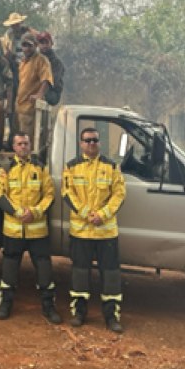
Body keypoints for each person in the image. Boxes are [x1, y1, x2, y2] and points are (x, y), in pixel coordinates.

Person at [62, 127, 126, 333]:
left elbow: (119, 194)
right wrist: (87, 213)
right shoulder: (71, 167)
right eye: (87, 140)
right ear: (81, 144)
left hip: (106, 232)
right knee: (80, 273)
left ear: (100, 143)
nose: (91, 144)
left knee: (111, 275)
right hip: (81, 231)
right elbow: (67, 193)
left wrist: (103, 214)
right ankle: (79, 313)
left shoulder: (111, 166)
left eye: (95, 140)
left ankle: (111, 317)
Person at [0, 132, 61, 324]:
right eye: (19, 143)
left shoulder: (40, 168)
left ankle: (49, 307)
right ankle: (6, 304)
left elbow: (49, 195)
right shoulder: (6, 169)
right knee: (9, 269)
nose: (23, 146)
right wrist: (16, 212)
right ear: (13, 147)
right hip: (13, 230)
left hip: (37, 231)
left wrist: (35, 212)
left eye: (26, 143)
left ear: (30, 145)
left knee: (44, 270)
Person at [15, 33, 53, 142]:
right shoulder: (22, 62)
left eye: (29, 45)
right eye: (24, 45)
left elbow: (46, 79)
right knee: (19, 139)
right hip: (20, 106)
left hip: (30, 108)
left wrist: (39, 95)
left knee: (27, 142)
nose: (26, 48)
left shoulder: (41, 60)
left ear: (35, 45)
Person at [36, 31, 65, 106]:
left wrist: (39, 92)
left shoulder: (57, 63)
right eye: (42, 43)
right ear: (38, 45)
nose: (44, 45)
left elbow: (52, 82)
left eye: (46, 43)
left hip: (52, 93)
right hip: (37, 90)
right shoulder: (35, 60)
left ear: (51, 44)